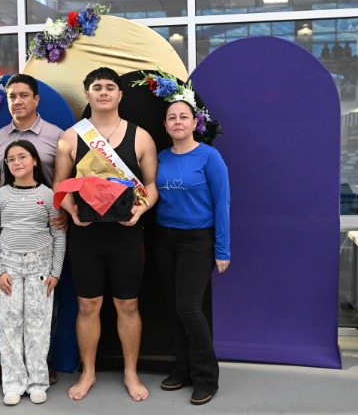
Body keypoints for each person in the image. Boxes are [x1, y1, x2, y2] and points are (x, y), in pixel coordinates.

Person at [54, 66, 158, 401]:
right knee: (87, 305)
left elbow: (151, 186)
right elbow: (59, 185)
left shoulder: (141, 137)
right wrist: (72, 212)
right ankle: (88, 373)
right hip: (86, 236)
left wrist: (140, 210)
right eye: (97, 87)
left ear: (120, 94)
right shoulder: (71, 137)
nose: (103, 92)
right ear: (87, 94)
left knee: (128, 304)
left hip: (127, 235)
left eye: (110, 87)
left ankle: (131, 372)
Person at [0, 73, 65, 389]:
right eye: (12, 96)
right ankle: (0, 361)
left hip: (44, 229)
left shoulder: (56, 135)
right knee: (2, 303)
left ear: (36, 99)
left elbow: (64, 179)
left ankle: (42, 362)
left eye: (24, 95)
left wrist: (62, 212)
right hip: (10, 232)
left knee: (43, 303)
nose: (17, 101)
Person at [154, 99, 230, 406]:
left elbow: (222, 203)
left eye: (183, 117)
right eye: (172, 117)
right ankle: (182, 370)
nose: (177, 121)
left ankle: (206, 377)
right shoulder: (160, 157)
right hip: (164, 238)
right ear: (165, 125)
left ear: (195, 123)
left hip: (197, 241)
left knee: (189, 308)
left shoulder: (210, 157)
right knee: (176, 308)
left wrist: (222, 249)